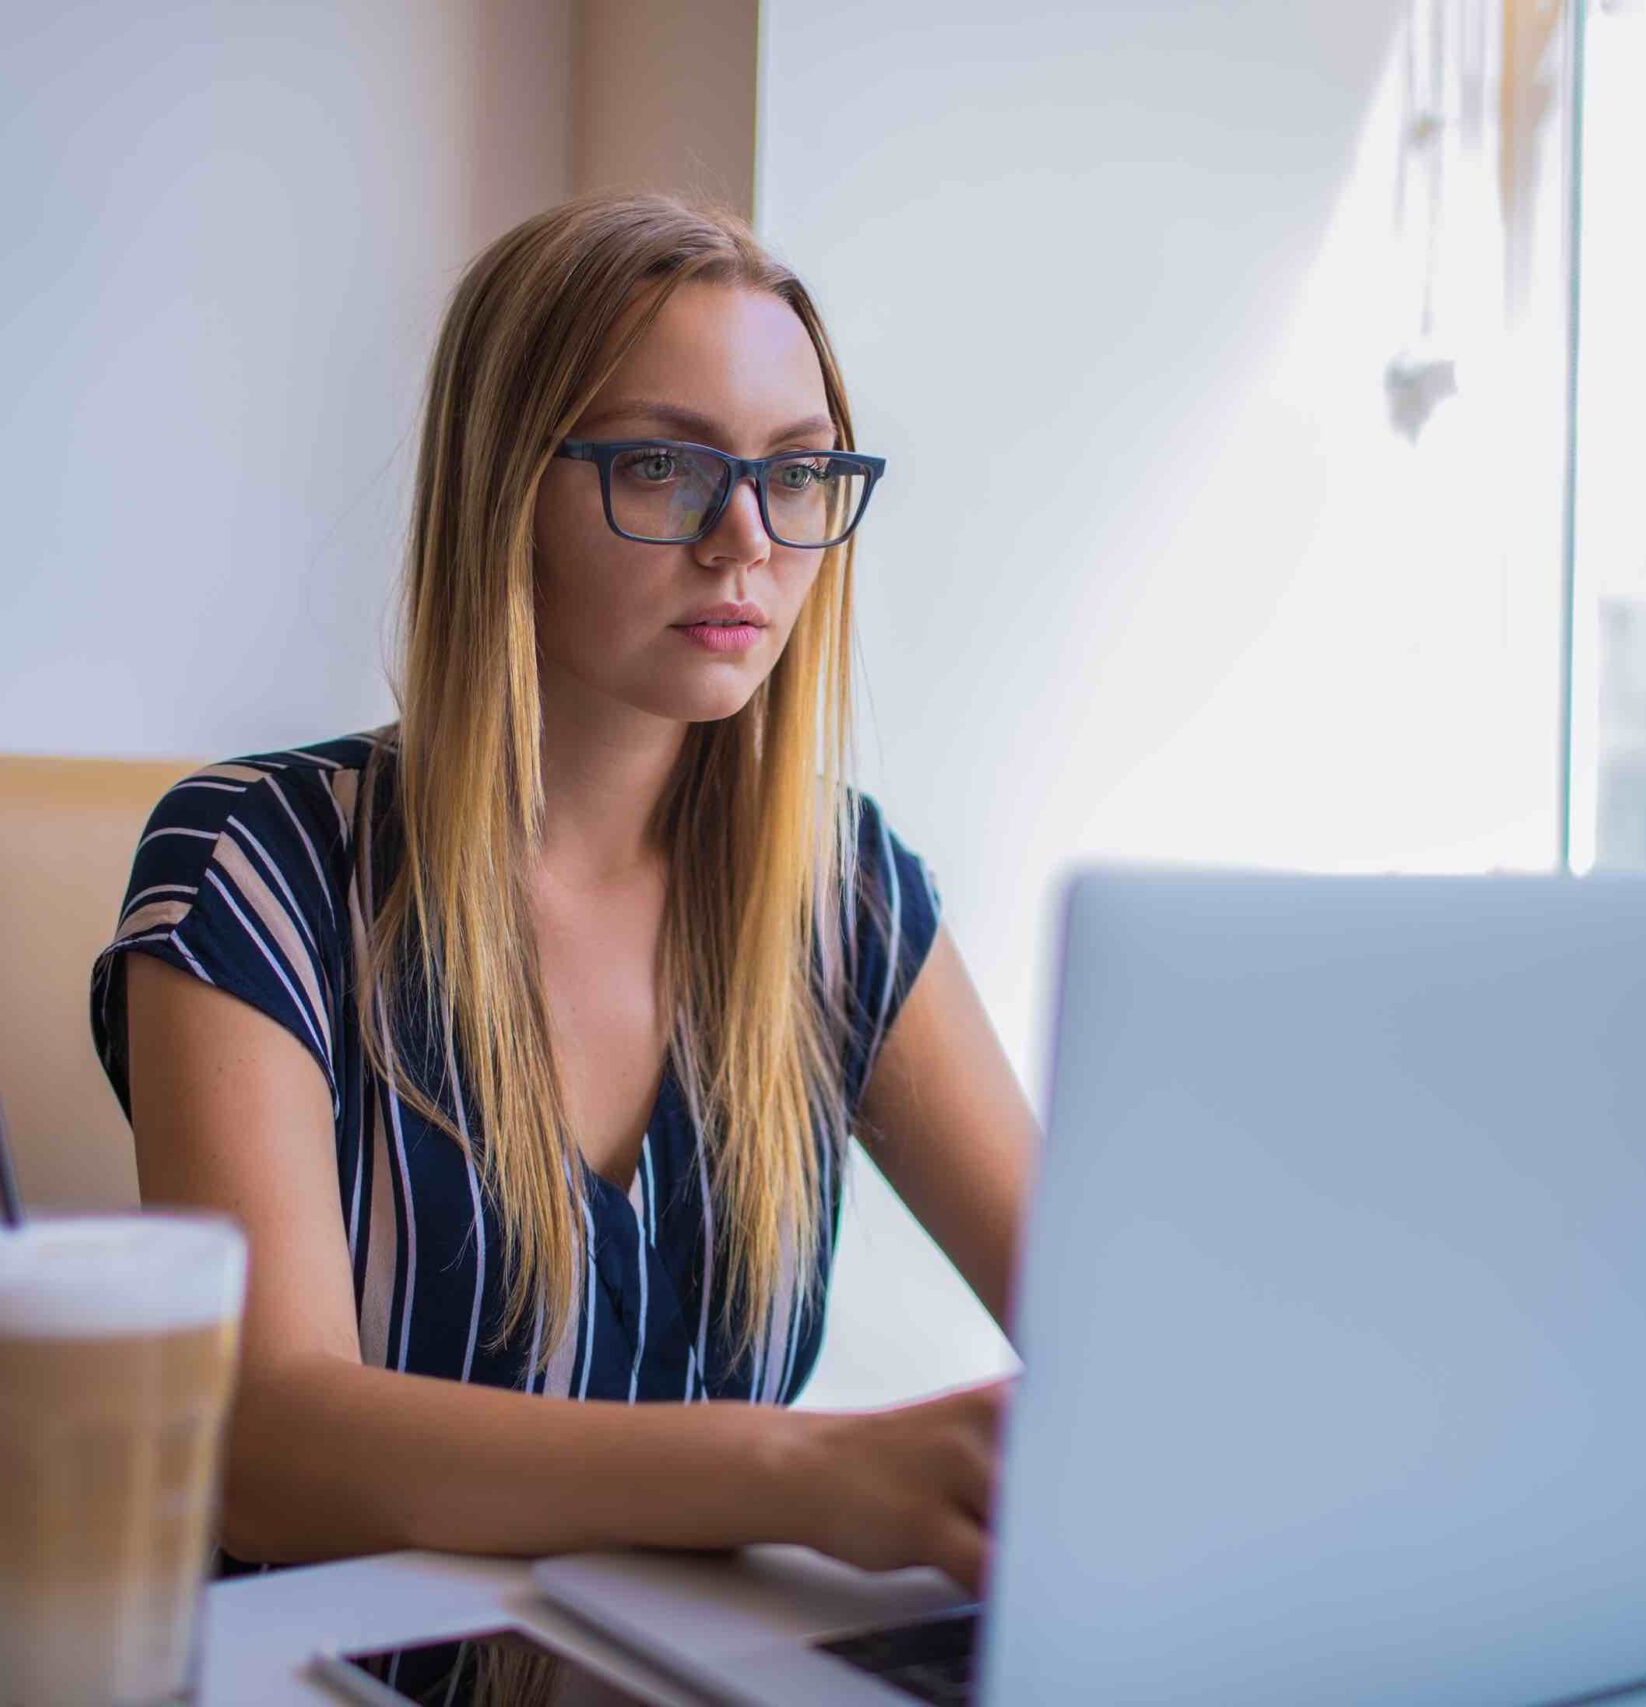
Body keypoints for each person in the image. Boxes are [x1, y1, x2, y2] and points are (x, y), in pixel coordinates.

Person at [88, 192, 1039, 1598]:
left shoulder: (837, 896)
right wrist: (808, 1476)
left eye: (798, 471)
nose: (748, 543)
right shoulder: (261, 866)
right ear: (504, 492)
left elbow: (1110, 1332)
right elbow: (270, 1444)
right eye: (663, 466)